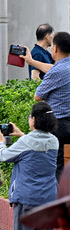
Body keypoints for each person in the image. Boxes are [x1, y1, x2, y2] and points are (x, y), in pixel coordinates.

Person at [0, 101, 58, 230]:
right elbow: (35, 147)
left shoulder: (27, 142)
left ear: (34, 119)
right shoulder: (54, 141)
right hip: (48, 200)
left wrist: (0, 142)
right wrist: (22, 134)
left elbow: (4, 156)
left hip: (26, 200)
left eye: (30, 116)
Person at [34, 30, 70, 173]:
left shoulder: (57, 71)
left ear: (55, 48)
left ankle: (60, 195)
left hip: (58, 125)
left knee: (57, 165)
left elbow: (38, 95)